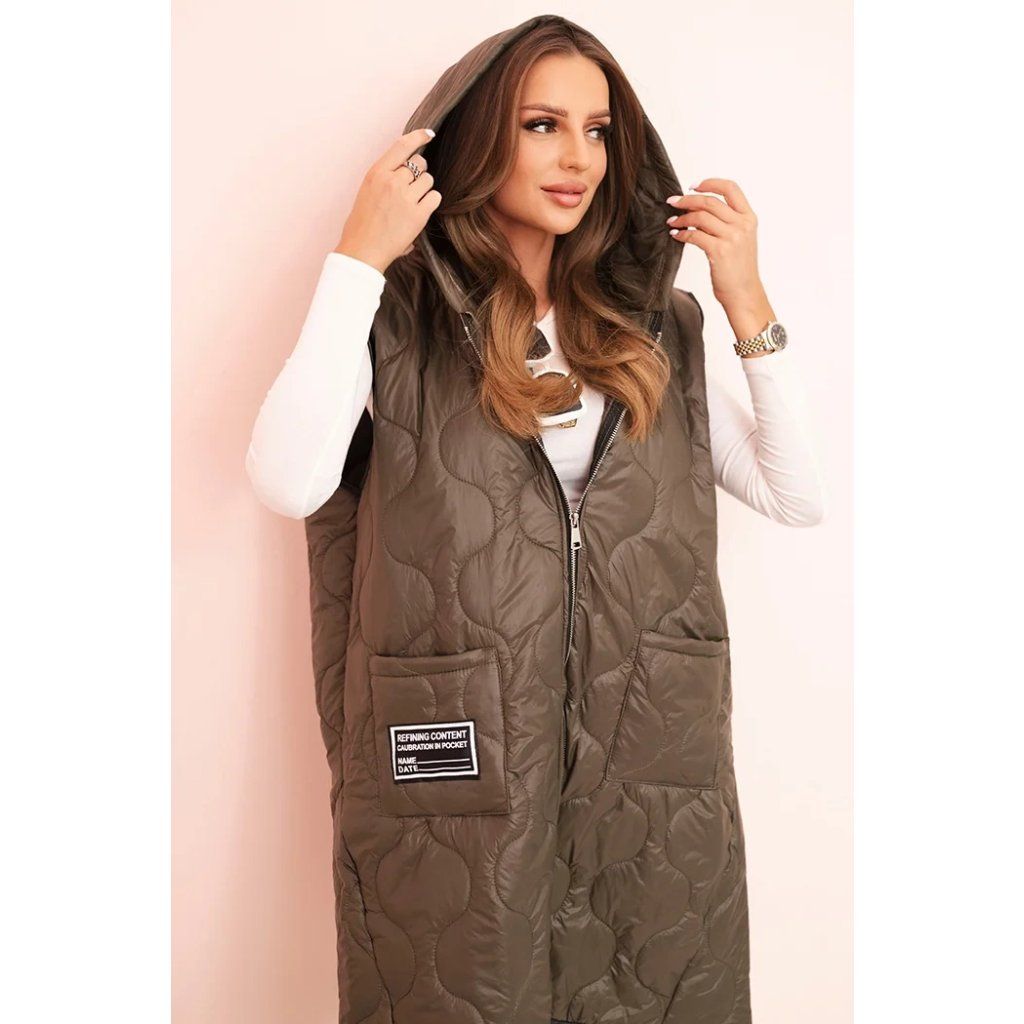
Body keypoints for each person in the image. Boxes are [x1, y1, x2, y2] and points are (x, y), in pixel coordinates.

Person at [246, 14, 825, 1024]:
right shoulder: (396, 319)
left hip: (646, 749)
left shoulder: (651, 328)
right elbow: (289, 481)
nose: (578, 159)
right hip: (455, 746)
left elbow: (796, 492)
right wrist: (357, 259)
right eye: (542, 125)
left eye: (598, 131)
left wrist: (745, 302)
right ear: (478, 141)